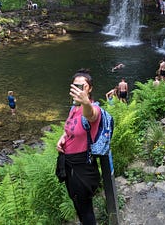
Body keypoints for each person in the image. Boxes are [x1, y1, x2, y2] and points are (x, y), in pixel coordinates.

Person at [56, 69, 102, 225]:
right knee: (76, 200)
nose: (79, 89)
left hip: (82, 165)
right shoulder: (73, 108)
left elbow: (91, 115)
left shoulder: (93, 108)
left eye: (83, 86)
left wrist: (85, 102)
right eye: (76, 85)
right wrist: (62, 137)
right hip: (69, 164)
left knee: (85, 207)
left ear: (89, 88)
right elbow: (69, 128)